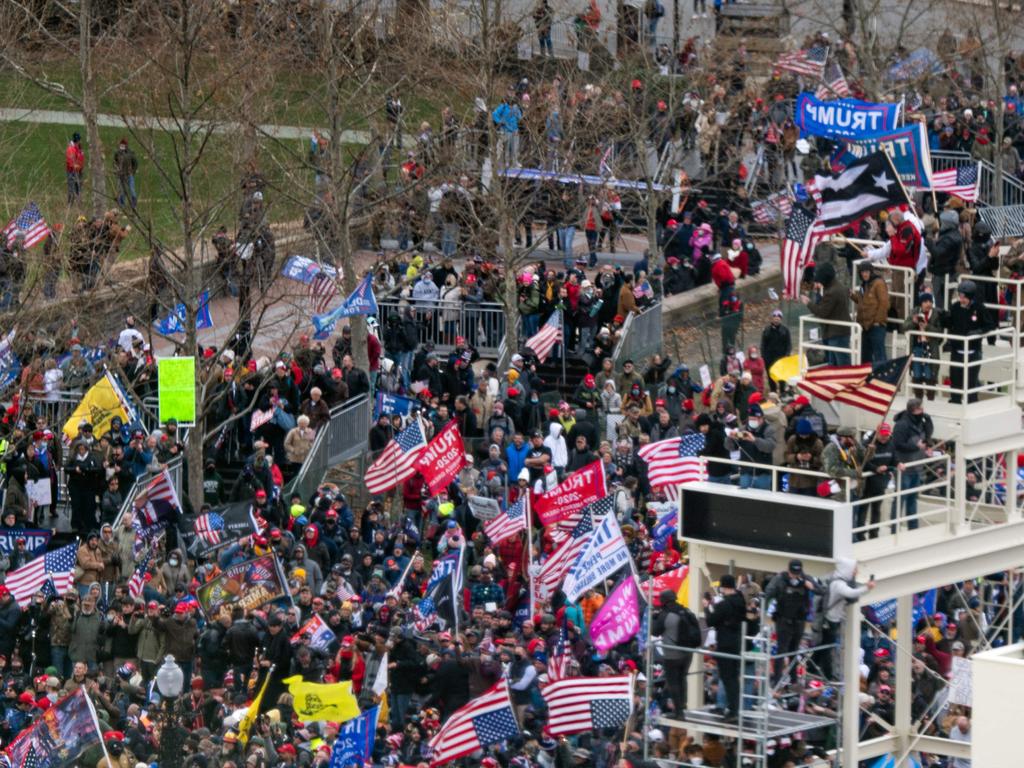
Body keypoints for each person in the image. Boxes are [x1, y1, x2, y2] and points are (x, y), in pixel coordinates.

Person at [813, 558, 874, 680]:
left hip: (831, 619)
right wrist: (866, 587)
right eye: (854, 569)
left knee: (823, 645)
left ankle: (812, 667)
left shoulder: (835, 579)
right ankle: (827, 674)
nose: (855, 572)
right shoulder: (839, 584)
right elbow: (851, 593)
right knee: (827, 648)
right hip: (831, 620)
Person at [764, 560, 819, 685]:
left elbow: (821, 591)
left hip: (799, 621)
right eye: (793, 573)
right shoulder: (780, 579)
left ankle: (793, 680)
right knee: (781, 651)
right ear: (788, 570)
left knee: (794, 651)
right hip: (783, 620)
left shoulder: (806, 578)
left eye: (797, 573)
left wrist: (811, 586)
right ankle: (777, 680)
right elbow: (768, 593)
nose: (795, 576)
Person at [941, 279, 993, 404]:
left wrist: (978, 332)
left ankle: (972, 403)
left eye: (964, 297)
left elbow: (990, 325)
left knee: (971, 382)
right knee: (955, 379)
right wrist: (943, 317)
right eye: (960, 296)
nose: (961, 299)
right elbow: (950, 324)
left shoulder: (979, 308)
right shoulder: (955, 307)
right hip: (957, 351)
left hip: (973, 352)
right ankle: (955, 401)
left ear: (970, 297)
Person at [704, 573, 746, 721]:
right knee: (732, 678)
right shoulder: (740, 600)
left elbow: (710, 621)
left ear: (723, 587)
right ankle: (733, 708)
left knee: (728, 678)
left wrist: (707, 607)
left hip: (725, 644)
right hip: (737, 643)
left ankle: (733, 710)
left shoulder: (724, 604)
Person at [652, 589, 699, 715]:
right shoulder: (686, 611)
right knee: (682, 678)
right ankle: (683, 705)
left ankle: (679, 712)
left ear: (663, 601)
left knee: (673, 682)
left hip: (672, 655)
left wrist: (654, 618)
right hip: (688, 653)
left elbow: (655, 631)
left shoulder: (665, 615)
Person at [892, 398, 934, 530]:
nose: (922, 411)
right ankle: (895, 528)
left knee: (912, 499)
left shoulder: (920, 421)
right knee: (900, 499)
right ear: (913, 410)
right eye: (920, 409)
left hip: (916, 466)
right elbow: (897, 444)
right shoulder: (902, 425)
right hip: (904, 467)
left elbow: (929, 432)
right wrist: (916, 446)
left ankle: (913, 528)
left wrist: (928, 421)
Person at [802, 262, 851, 365]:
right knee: (837, 363)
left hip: (836, 333)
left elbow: (822, 311)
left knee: (841, 365)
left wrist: (808, 303)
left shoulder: (832, 292)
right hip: (840, 331)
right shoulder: (840, 287)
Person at [902, 292, 942, 400]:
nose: (928, 304)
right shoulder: (915, 312)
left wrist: (927, 326)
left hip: (930, 349)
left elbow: (940, 333)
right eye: (925, 302)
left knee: (930, 374)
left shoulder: (936, 314)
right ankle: (918, 399)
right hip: (917, 347)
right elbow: (904, 327)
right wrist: (914, 322)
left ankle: (930, 399)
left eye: (930, 302)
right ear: (921, 303)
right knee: (917, 373)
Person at [851, 261, 889, 365]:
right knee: (865, 356)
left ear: (871, 272)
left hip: (875, 326)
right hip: (865, 326)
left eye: (867, 271)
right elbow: (862, 301)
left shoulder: (879, 283)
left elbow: (884, 303)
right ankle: (869, 378)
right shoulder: (864, 285)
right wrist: (852, 295)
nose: (864, 274)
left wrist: (878, 321)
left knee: (879, 356)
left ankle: (881, 379)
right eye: (862, 272)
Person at [113, 138, 139, 209]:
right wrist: (116, 170)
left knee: (131, 189)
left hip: (129, 174)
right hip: (121, 174)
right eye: (121, 145)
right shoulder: (117, 153)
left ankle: (134, 203)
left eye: (123, 145)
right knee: (122, 190)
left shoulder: (130, 153)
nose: (122, 146)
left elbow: (135, 163)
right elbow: (115, 162)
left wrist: (133, 171)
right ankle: (122, 203)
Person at [66, 132, 85, 204]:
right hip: (72, 171)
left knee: (78, 188)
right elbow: (70, 161)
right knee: (72, 188)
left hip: (79, 171)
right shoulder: (71, 149)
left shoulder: (79, 148)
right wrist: (75, 166)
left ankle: (78, 203)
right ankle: (70, 204)